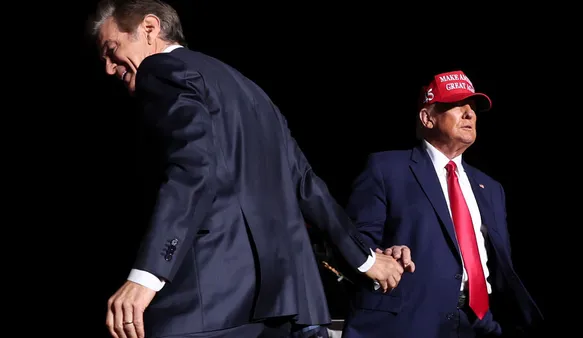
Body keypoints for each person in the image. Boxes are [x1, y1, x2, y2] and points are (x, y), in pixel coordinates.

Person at [87, 1, 412, 337]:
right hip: (286, 303)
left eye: (112, 50)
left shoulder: (160, 70)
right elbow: (306, 185)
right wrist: (368, 261)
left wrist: (147, 275)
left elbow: (193, 170)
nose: (109, 69)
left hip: (209, 303)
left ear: (150, 29)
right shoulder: (251, 90)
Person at [341, 70, 544, 337]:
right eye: (458, 106)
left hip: (479, 324)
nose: (469, 114)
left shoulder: (491, 188)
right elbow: (353, 240)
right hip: (409, 321)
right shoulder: (386, 168)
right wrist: (384, 252)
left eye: (472, 109)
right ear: (427, 117)